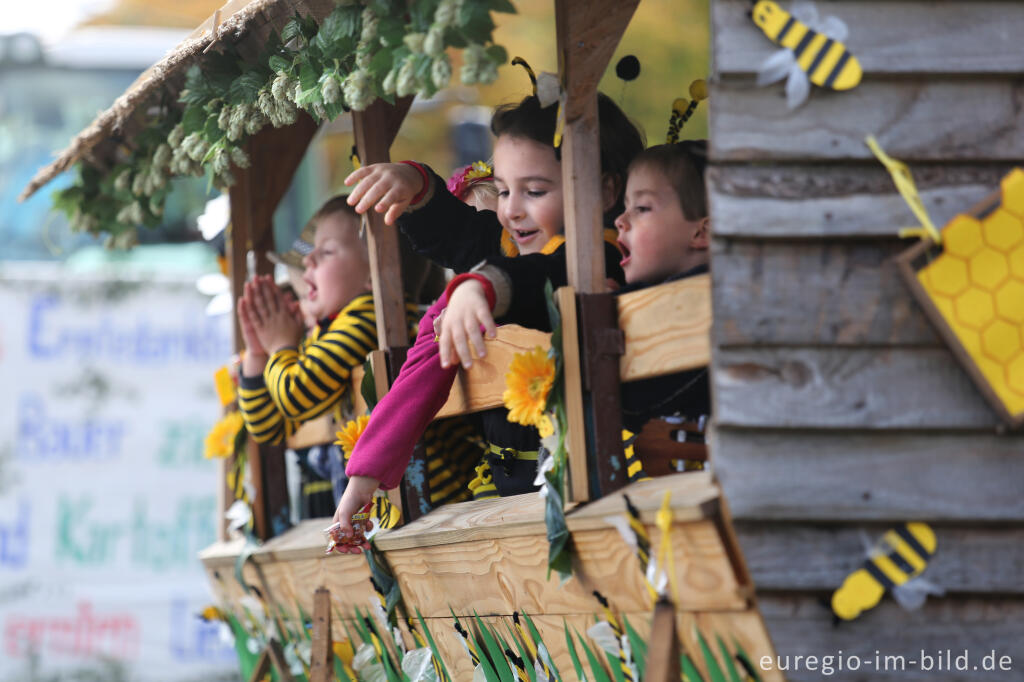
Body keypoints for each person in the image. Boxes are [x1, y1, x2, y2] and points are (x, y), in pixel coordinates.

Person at [329, 92, 643, 549]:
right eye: (503, 189)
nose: (512, 208)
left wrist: (481, 285)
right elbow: (461, 233)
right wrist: (416, 186)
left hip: (599, 507)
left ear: (606, 190)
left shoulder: (606, 258)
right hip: (517, 501)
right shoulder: (511, 244)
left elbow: (544, 278)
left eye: (534, 191)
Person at [235, 197, 379, 507]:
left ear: (374, 271)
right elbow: (269, 427)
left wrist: (280, 346)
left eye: (326, 251)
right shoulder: (330, 331)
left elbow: (296, 394)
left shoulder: (369, 316)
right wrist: (259, 354)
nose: (309, 260)